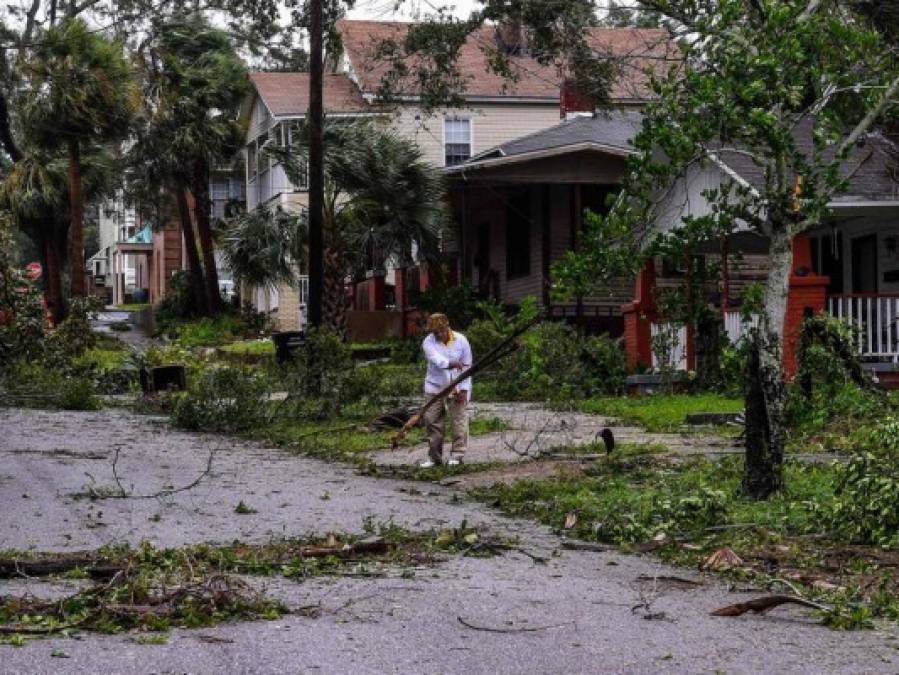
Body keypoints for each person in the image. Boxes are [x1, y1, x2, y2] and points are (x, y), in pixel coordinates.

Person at [419, 313, 473, 468]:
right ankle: (434, 458)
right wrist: (450, 363)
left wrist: (463, 389)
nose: (439, 334)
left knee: (459, 421)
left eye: (441, 330)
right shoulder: (428, 342)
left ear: (448, 326)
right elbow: (436, 360)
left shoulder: (461, 340)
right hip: (435, 386)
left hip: (457, 386)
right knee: (432, 421)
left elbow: (468, 366)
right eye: (435, 332)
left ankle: (457, 456)